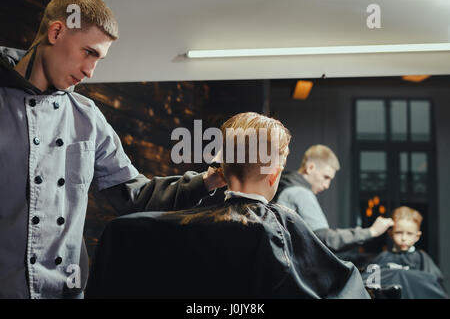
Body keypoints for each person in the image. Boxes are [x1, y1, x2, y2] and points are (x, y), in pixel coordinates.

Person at [0, 0, 225, 299]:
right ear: (56, 32)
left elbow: (135, 195)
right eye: (88, 52)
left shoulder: (87, 118)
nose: (90, 71)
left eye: (99, 59)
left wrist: (209, 180)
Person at [85, 112, 370, 298]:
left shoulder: (167, 228)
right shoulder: (281, 229)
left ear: (221, 168)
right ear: (275, 173)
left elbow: (121, 232)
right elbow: (346, 287)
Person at [274, 144, 393, 253]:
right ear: (310, 168)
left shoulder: (284, 188)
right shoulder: (300, 193)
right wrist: (371, 232)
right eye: (326, 177)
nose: (327, 185)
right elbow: (326, 239)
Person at [361, 206, 447, 299]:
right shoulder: (382, 258)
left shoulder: (422, 258)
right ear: (390, 233)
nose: (404, 238)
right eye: (398, 232)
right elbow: (368, 284)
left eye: (409, 233)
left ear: (417, 236)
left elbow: (433, 286)